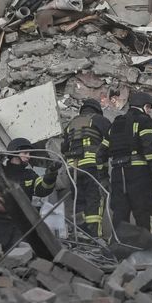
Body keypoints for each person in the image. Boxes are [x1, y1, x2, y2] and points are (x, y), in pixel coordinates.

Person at [96, 91, 152, 232]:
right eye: (149, 108)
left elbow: (100, 153)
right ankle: (147, 248)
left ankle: (121, 248)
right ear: (144, 106)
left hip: (118, 176)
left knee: (120, 215)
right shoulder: (144, 120)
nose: (150, 112)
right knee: (144, 213)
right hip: (139, 176)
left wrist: (103, 177)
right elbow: (149, 148)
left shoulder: (116, 123)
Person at [0, 137, 60, 249]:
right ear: (14, 152)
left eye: (29, 153)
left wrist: (51, 175)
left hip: (18, 229)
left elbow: (42, 190)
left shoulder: (29, 175)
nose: (28, 156)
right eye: (25, 153)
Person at [61, 98, 110, 237]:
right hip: (91, 166)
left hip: (73, 170)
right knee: (95, 201)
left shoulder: (71, 124)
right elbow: (112, 139)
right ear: (97, 111)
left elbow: (64, 147)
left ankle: (80, 235)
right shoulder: (100, 120)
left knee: (79, 202)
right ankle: (95, 237)